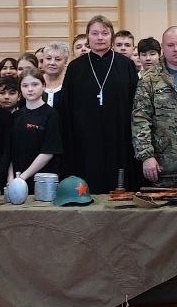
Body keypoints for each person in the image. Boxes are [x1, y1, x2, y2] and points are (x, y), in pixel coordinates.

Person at [58, 15, 140, 193]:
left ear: (112, 36)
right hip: (85, 139)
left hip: (119, 136)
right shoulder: (75, 67)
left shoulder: (126, 65)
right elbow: (66, 108)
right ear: (88, 37)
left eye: (105, 33)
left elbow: (136, 104)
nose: (100, 37)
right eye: (94, 33)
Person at [132, 27, 177, 188]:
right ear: (163, 47)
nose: (176, 49)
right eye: (170, 45)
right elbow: (140, 120)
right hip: (163, 165)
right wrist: (146, 156)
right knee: (163, 205)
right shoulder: (149, 79)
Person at [7, 69, 61, 183]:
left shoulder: (51, 115)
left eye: (35, 84)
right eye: (25, 85)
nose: (30, 89)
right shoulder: (16, 115)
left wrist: (23, 177)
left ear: (43, 86)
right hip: (16, 179)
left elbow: (48, 152)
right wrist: (10, 177)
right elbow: (10, 151)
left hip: (41, 179)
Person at [40, 41, 69, 106]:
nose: (52, 63)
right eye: (48, 58)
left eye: (58, 59)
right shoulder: (36, 81)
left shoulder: (70, 83)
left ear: (65, 62)